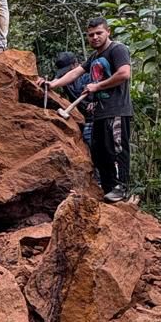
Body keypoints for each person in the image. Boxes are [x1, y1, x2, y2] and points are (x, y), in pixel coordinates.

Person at [38, 16, 133, 202]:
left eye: (99, 33)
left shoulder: (117, 49)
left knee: (117, 148)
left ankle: (121, 187)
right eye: (91, 35)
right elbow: (75, 73)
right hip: (99, 112)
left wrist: (97, 86)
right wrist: (52, 84)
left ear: (108, 32)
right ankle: (108, 189)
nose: (95, 37)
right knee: (98, 152)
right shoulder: (95, 57)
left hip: (117, 109)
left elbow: (124, 73)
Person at [53, 50, 93, 146]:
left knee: (90, 140)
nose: (64, 74)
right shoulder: (62, 77)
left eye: (67, 70)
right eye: (62, 72)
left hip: (96, 116)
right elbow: (54, 81)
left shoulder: (88, 75)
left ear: (75, 64)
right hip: (80, 118)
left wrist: (95, 101)